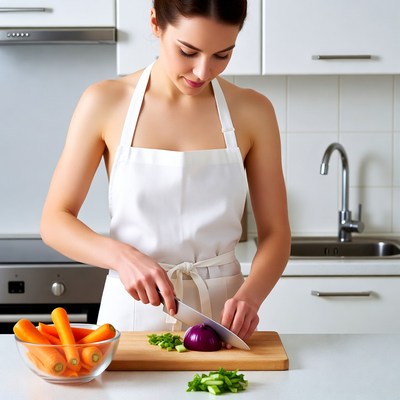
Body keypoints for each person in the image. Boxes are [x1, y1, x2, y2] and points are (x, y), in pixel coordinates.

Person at [41, 0, 291, 343]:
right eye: (188, 51)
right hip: (129, 312)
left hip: (222, 319)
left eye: (222, 55)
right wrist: (122, 257)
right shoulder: (105, 101)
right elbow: (55, 220)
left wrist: (251, 296)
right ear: (156, 23)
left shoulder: (253, 111)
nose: (203, 71)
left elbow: (277, 234)